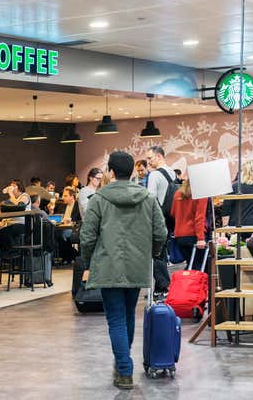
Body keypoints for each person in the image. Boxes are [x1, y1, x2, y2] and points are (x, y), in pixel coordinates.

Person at [80, 151, 167, 390]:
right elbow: (161, 233)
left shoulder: (99, 199)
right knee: (128, 315)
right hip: (137, 266)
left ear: (110, 172)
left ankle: (125, 370)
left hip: (108, 265)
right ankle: (123, 364)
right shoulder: (147, 198)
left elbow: (87, 237)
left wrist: (87, 263)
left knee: (116, 319)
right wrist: (153, 252)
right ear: (131, 172)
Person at [145, 145, 174, 296]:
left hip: (158, 219)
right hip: (172, 219)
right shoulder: (173, 173)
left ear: (159, 156)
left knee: (157, 253)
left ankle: (163, 287)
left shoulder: (155, 175)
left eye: (150, 158)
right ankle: (162, 286)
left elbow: (150, 200)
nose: (148, 162)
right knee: (164, 253)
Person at [221, 160, 253, 241]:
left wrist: (225, 226)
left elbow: (226, 207)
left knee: (238, 250)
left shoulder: (235, 186)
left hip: (239, 225)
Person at [170, 177, 208, 267]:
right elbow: (200, 217)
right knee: (199, 267)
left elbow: (173, 213)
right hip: (194, 235)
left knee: (190, 265)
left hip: (180, 235)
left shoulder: (178, 193)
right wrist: (201, 238)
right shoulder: (201, 194)